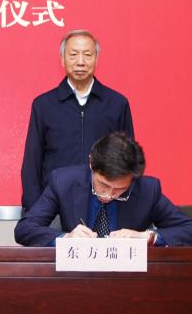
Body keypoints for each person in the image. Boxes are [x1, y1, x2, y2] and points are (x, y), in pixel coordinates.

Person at [14, 132, 192, 247]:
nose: (108, 195)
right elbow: (24, 229)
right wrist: (66, 238)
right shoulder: (63, 182)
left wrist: (148, 236)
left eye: (119, 189)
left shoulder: (147, 190)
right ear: (91, 163)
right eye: (103, 185)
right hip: (76, 278)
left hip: (127, 282)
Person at [21, 29, 134, 210]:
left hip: (103, 205)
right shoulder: (44, 105)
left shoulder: (116, 104)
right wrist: (35, 209)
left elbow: (128, 160)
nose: (80, 61)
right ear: (62, 59)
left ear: (96, 59)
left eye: (87, 55)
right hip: (54, 207)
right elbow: (32, 162)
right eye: (73, 55)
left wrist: (124, 203)